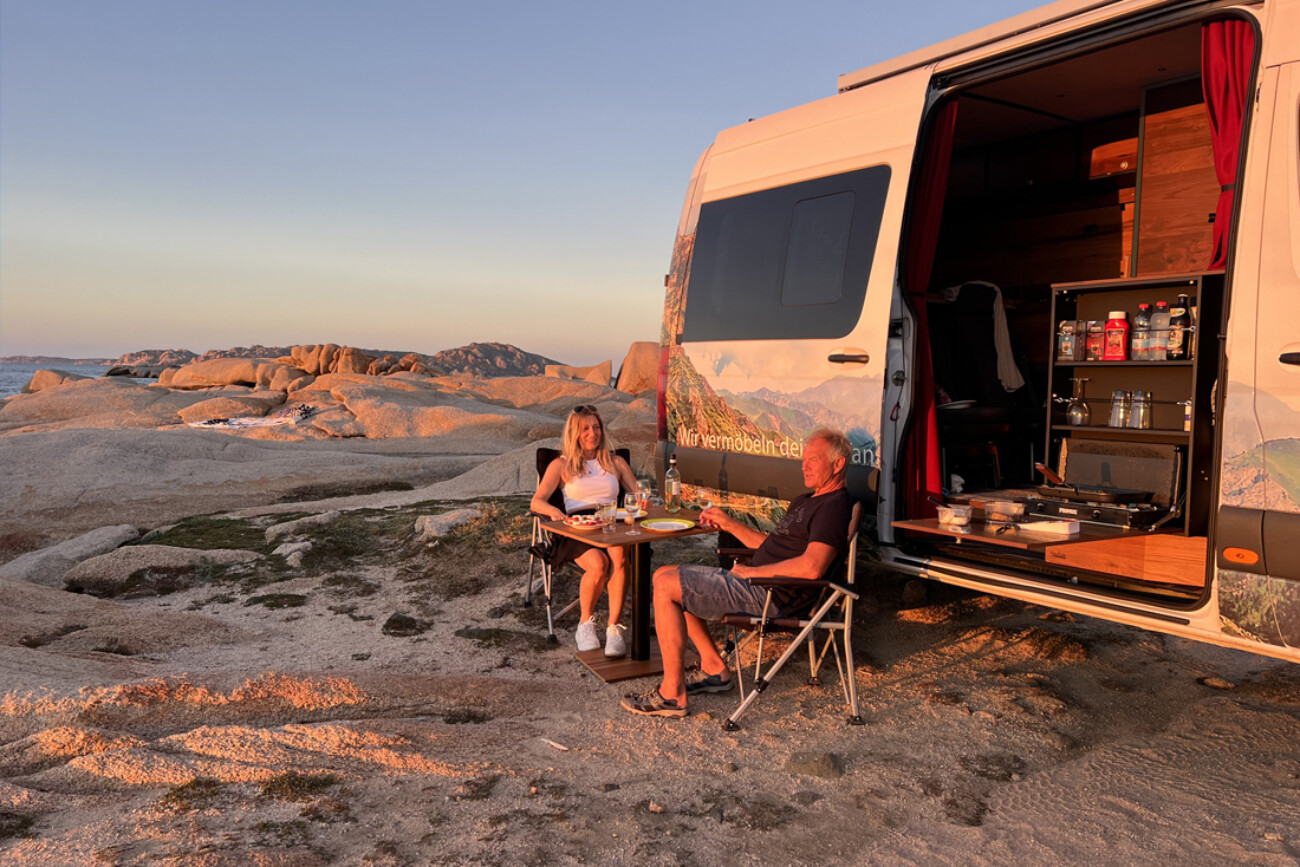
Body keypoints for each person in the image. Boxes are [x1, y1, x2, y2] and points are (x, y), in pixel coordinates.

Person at [621, 428, 854, 718]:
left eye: (813, 460)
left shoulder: (834, 507)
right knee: (667, 573)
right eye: (803, 459)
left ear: (838, 464)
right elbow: (767, 546)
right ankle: (715, 668)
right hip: (759, 583)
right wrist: (728, 523)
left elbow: (812, 567)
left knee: (667, 583)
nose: (803, 466)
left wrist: (753, 573)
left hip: (772, 597)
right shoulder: (806, 500)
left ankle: (673, 694)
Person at [531, 405, 639, 656]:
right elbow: (537, 501)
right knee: (599, 564)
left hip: (611, 522)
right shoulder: (561, 464)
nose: (593, 433)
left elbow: (639, 495)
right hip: (577, 526)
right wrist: (554, 512)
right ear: (575, 433)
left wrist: (642, 501)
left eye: (596, 427)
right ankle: (585, 624)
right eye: (585, 428)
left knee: (620, 556)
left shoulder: (616, 462)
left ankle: (614, 629)